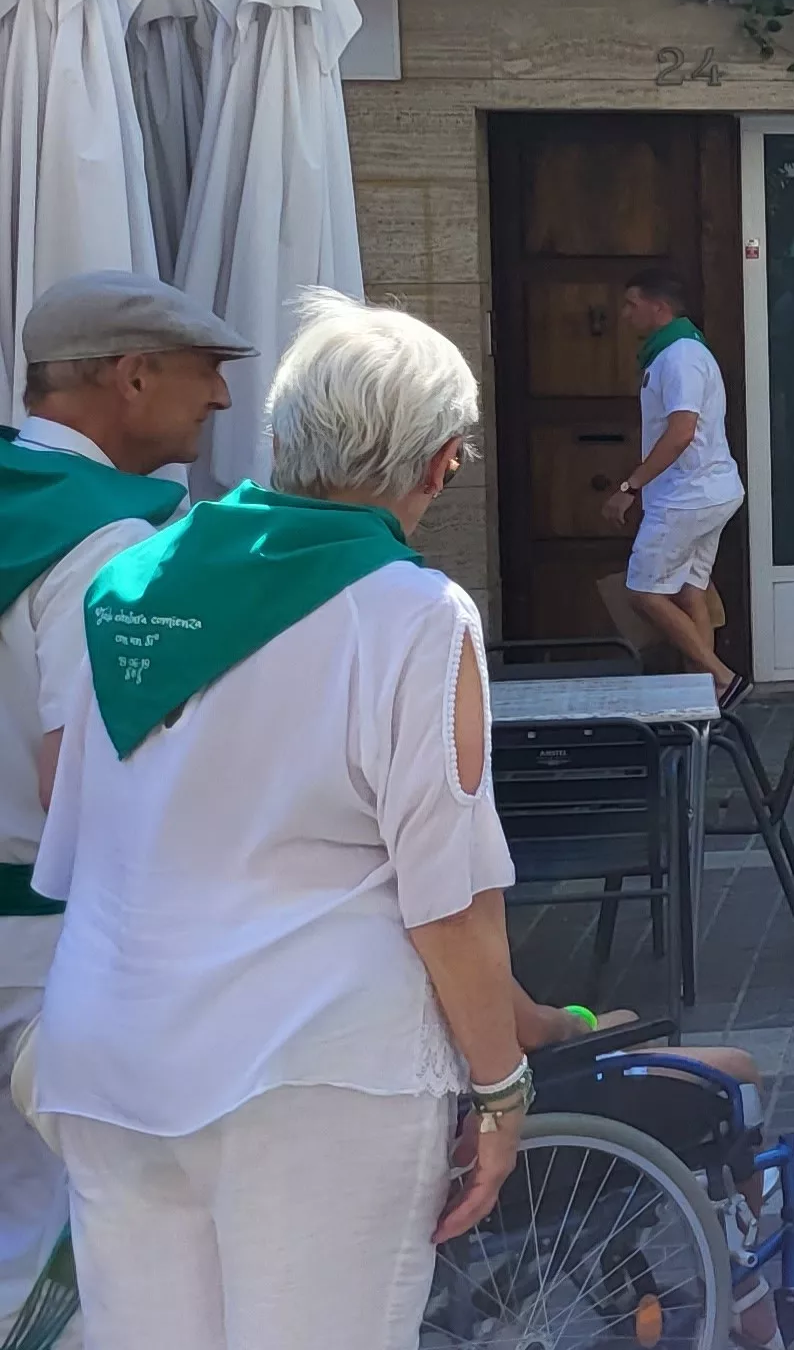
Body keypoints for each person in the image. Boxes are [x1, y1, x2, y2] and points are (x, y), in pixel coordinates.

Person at [33, 292, 519, 1348]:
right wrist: (502, 1086)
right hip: (312, 1068)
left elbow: (71, 820)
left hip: (110, 1048)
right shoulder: (414, 614)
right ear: (437, 463)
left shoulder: (125, 582)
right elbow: (450, 902)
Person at [0, 273, 245, 1302]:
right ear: (132, 376)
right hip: (45, 945)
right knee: (87, 1233)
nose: (222, 401)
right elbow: (81, 781)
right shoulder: (109, 541)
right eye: (206, 374)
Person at [601, 267, 744, 691]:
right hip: (707, 492)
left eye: (632, 304)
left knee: (643, 593)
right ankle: (706, 697)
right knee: (687, 590)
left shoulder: (680, 356)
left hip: (687, 498)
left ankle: (722, 678)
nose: (625, 314)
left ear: (658, 307)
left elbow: (681, 432)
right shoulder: (678, 351)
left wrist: (630, 488)